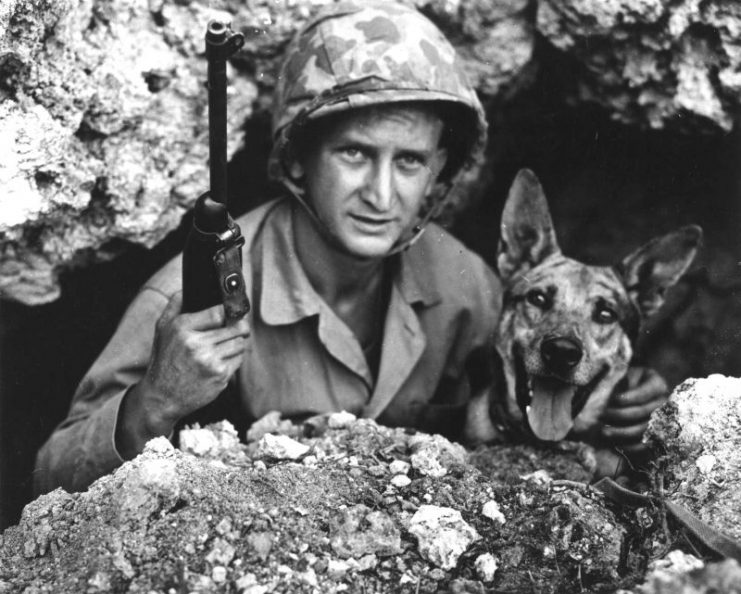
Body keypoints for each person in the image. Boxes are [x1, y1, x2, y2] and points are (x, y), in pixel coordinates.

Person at [34, 1, 666, 494]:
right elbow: (47, 480)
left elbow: (530, 395)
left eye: (410, 161)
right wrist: (154, 403)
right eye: (356, 153)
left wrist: (631, 402)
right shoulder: (190, 292)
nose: (383, 194)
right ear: (300, 160)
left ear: (439, 173)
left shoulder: (467, 285)